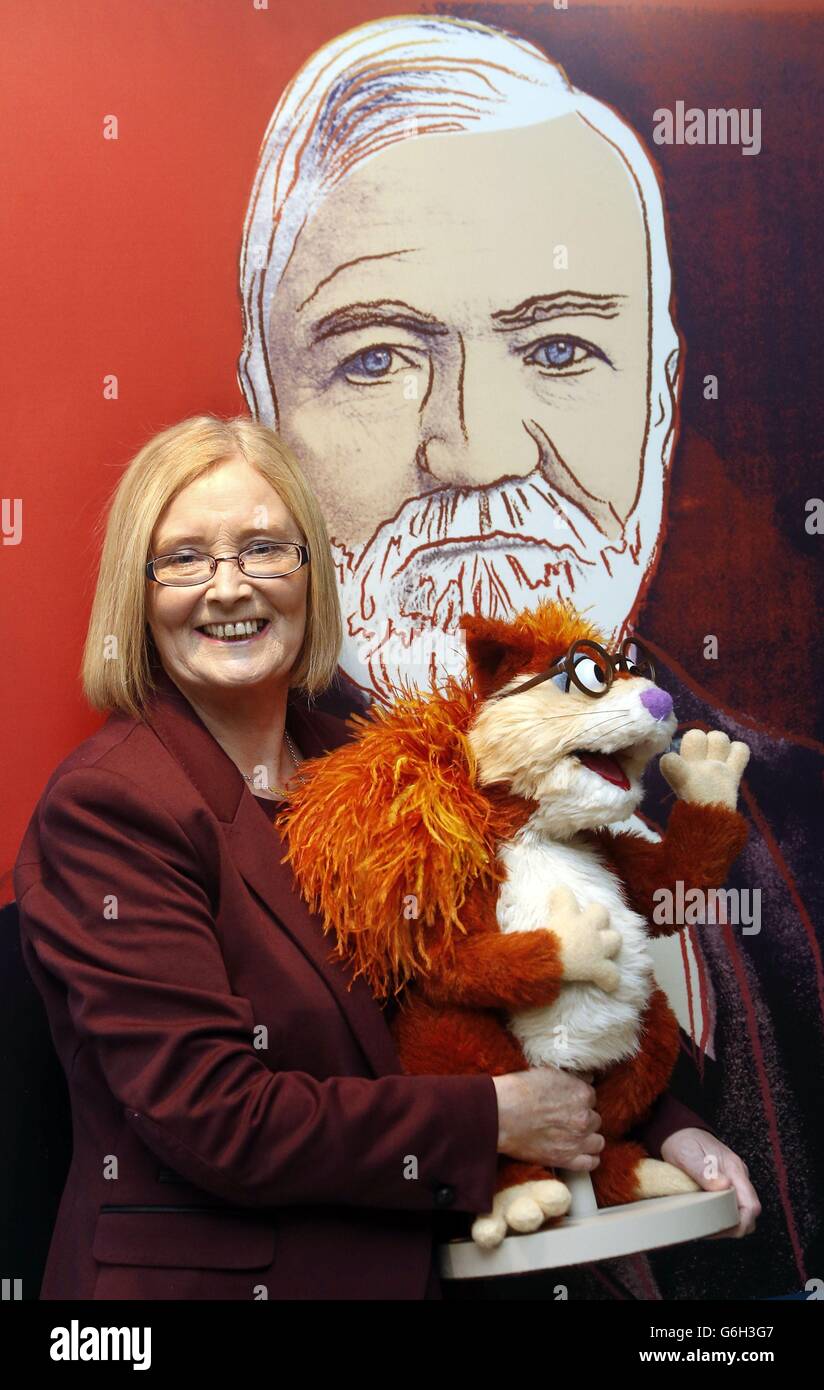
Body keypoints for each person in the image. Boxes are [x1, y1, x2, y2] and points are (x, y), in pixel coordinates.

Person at [235, 13, 816, 1297]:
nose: (476, 446)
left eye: (559, 348)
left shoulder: (808, 825)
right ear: (268, 420)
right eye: (377, 357)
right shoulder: (193, 852)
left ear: (659, 409)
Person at [14, 412, 723, 1302]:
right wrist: (492, 1119)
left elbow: (493, 987)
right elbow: (212, 1115)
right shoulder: (113, 806)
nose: (228, 588)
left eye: (265, 550)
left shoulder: (372, 764)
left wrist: (664, 1131)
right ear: (137, 592)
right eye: (184, 559)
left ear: (312, 575)